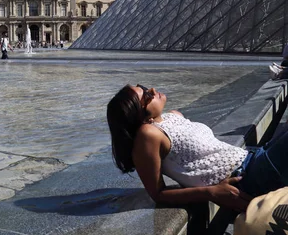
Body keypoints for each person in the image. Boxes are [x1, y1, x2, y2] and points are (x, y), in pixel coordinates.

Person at [107, 84, 288, 213]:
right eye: (146, 96)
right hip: (247, 177)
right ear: (140, 115)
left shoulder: (174, 115)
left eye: (145, 87)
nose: (153, 90)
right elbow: (157, 193)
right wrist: (211, 192)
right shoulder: (148, 134)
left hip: (255, 156)